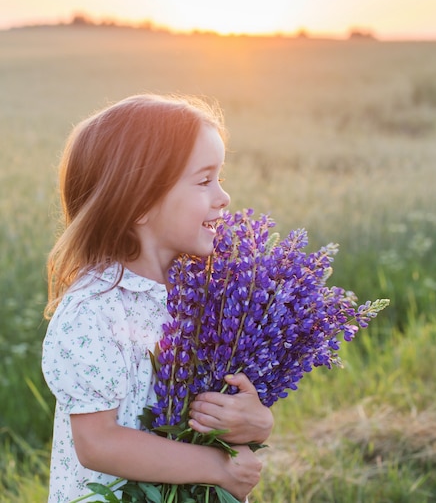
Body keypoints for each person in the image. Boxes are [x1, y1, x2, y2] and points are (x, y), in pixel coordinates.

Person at [42, 93, 273, 503]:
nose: (224, 197)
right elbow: (98, 442)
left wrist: (254, 422)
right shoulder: (93, 309)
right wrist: (216, 468)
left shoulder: (210, 296)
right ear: (140, 202)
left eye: (221, 178)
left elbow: (219, 402)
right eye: (204, 181)